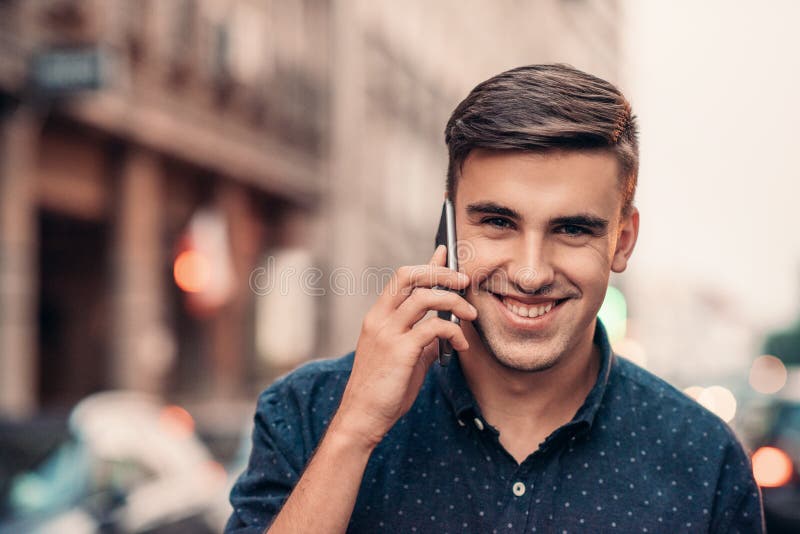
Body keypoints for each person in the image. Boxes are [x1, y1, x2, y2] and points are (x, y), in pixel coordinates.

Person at [225, 64, 765, 533]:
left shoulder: (703, 460)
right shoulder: (308, 412)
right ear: (448, 226)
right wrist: (354, 433)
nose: (530, 273)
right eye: (498, 222)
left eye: (572, 229)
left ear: (621, 241)